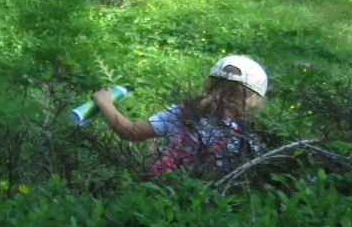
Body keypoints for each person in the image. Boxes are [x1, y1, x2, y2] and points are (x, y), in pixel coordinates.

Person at [90, 55, 268, 175]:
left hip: (164, 191)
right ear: (256, 99)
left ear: (209, 83)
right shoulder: (249, 134)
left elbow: (130, 132)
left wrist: (105, 103)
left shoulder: (184, 112)